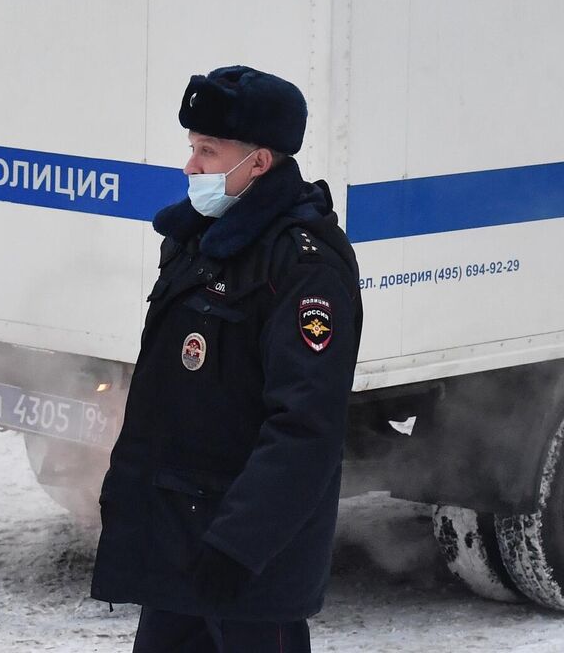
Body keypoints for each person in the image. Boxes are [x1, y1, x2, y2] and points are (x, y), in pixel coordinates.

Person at [92, 66, 363, 653]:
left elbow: (304, 427)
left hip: (245, 565)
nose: (191, 166)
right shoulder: (196, 242)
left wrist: (237, 546)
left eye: (207, 151)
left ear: (259, 162)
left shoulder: (303, 266)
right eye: (192, 148)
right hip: (178, 547)